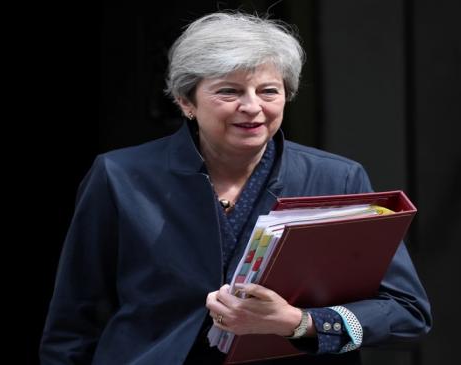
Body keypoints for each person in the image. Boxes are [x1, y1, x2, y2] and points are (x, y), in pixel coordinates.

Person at [40, 11, 431, 365]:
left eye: (268, 91)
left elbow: (406, 312)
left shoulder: (337, 178)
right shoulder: (120, 176)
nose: (252, 106)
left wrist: (299, 322)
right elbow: (74, 318)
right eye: (229, 91)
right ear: (186, 101)